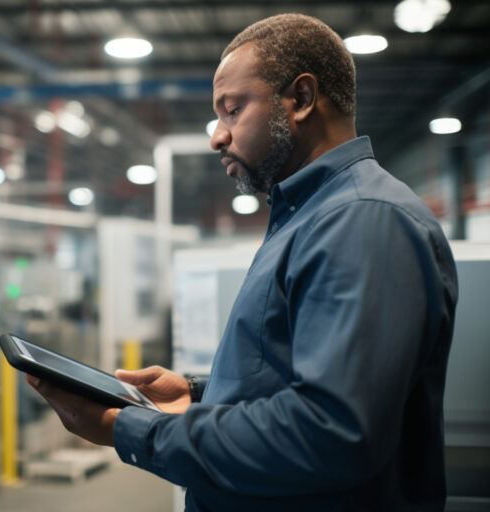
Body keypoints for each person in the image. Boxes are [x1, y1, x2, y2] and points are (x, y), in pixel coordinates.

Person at [26, 13, 458, 511]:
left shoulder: (363, 222)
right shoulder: (309, 217)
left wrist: (133, 429)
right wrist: (198, 394)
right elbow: (291, 373)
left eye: (231, 111)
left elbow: (332, 434)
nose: (216, 137)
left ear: (300, 99)